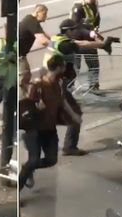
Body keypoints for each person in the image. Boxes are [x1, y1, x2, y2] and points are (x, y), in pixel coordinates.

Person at [43, 19, 117, 156]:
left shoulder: (58, 39)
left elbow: (79, 43)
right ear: (68, 31)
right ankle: (68, 146)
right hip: (58, 85)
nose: (76, 32)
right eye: (74, 29)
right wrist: (103, 45)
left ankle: (56, 143)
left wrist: (102, 44)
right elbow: (81, 46)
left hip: (53, 84)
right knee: (75, 114)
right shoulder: (65, 45)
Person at [18, 55, 82, 191]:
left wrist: (74, 115)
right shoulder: (38, 85)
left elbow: (63, 102)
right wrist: (35, 104)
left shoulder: (57, 84)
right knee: (34, 160)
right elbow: (26, 104)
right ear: (59, 68)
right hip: (34, 130)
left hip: (49, 129)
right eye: (63, 65)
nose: (65, 68)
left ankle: (28, 168)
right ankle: (20, 185)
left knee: (51, 159)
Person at [70, 0, 103, 91]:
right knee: (75, 67)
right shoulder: (78, 7)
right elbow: (75, 25)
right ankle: (69, 89)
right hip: (77, 41)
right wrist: (90, 32)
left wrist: (96, 31)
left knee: (94, 65)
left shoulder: (94, 5)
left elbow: (96, 19)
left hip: (89, 41)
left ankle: (94, 87)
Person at [18, 4, 51, 88]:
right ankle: (21, 97)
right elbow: (43, 40)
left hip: (19, 53)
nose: (46, 17)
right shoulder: (32, 22)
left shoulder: (31, 20)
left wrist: (55, 39)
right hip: (18, 54)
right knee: (24, 76)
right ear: (37, 12)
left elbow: (43, 34)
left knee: (25, 74)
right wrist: (55, 46)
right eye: (44, 14)